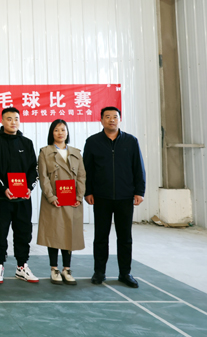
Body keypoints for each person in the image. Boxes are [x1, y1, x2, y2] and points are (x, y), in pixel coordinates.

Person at [84, 107, 146, 288]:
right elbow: (87, 169)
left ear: (120, 119)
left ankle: (125, 273)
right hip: (101, 197)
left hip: (125, 197)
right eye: (107, 117)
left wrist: (139, 191)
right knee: (100, 237)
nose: (111, 120)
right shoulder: (93, 142)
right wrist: (88, 191)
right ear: (101, 120)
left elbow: (138, 168)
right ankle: (99, 272)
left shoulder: (131, 141)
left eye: (115, 117)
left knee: (125, 237)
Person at [0, 107, 39, 284]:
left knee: (23, 233)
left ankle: (22, 266)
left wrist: (29, 188)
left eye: (16, 118)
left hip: (23, 199)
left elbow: (34, 169)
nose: (13, 122)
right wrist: (3, 188)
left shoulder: (27, 143)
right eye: (9, 118)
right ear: (2, 121)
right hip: (1, 199)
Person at [36, 119, 86, 286]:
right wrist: (51, 197)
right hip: (54, 201)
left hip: (72, 201)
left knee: (69, 234)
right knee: (53, 234)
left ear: (67, 132)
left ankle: (67, 269)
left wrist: (79, 197)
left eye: (63, 130)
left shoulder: (76, 153)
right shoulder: (45, 152)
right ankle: (54, 269)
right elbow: (43, 177)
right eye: (56, 130)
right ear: (52, 133)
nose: (60, 133)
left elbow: (82, 176)